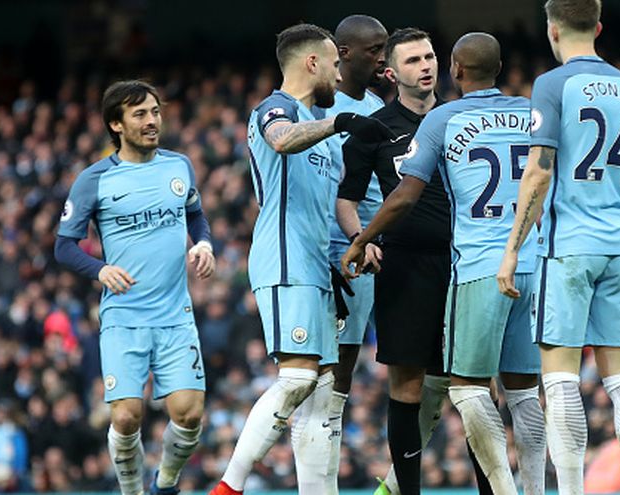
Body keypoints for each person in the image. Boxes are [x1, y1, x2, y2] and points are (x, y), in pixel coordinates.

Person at [343, 32, 547, 495]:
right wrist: (361, 237)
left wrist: (361, 241)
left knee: (474, 387)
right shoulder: (375, 128)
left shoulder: (446, 118)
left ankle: (495, 491)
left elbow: (404, 195)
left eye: (430, 56)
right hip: (416, 265)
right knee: (421, 386)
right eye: (413, 59)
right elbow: (347, 199)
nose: (425, 65)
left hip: (466, 265)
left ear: (452, 67)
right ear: (391, 73)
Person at [208, 23, 394, 495]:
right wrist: (339, 123)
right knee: (296, 378)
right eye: (333, 65)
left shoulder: (323, 132)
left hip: (317, 267)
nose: (339, 74)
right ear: (312, 63)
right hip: (284, 259)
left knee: (322, 390)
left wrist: (357, 241)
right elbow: (281, 138)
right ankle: (228, 487)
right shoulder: (278, 108)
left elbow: (334, 203)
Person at [498, 1, 620, 495]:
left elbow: (539, 170)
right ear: (598, 27)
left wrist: (512, 248)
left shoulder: (553, 85)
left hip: (568, 246)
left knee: (560, 379)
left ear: (552, 30)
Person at [54, 80, 216, 495]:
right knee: (126, 417)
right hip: (124, 316)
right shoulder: (94, 180)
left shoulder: (179, 166)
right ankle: (132, 491)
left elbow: (196, 216)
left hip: (175, 315)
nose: (151, 121)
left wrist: (203, 243)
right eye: (140, 114)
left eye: (155, 112)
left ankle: (166, 483)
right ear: (117, 124)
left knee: (190, 414)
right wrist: (99, 270)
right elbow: (64, 247)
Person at [321, 14, 389, 493]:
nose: (382, 57)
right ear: (344, 53)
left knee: (344, 370)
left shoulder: (377, 105)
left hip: (370, 249)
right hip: (332, 249)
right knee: (321, 371)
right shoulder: (318, 107)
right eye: (374, 49)